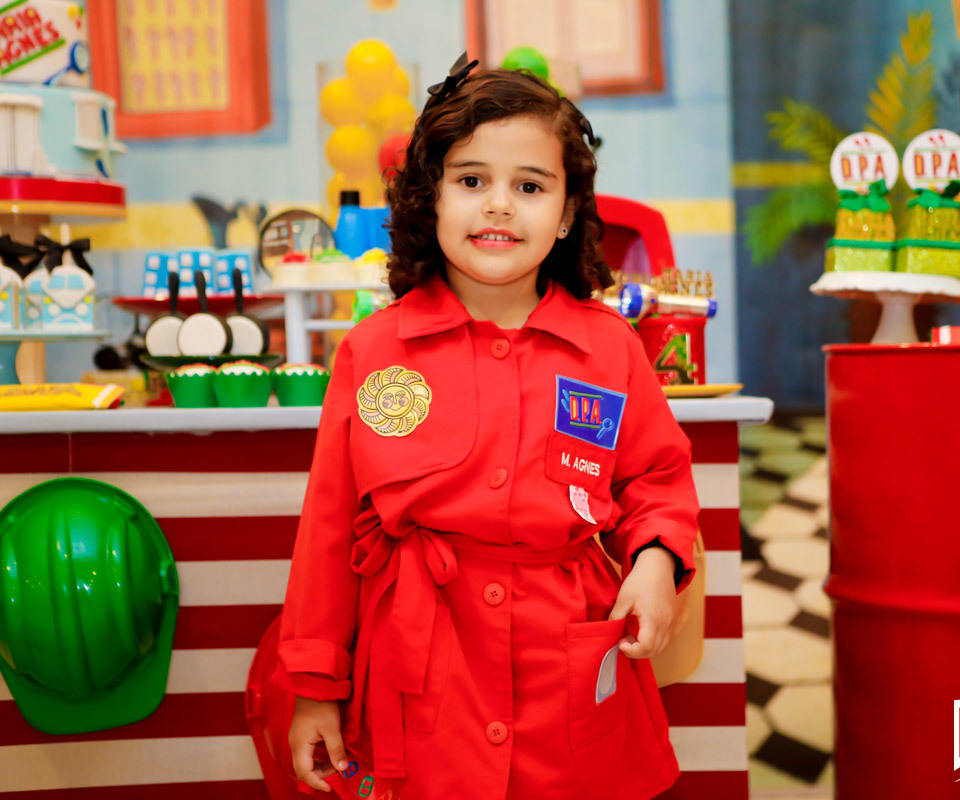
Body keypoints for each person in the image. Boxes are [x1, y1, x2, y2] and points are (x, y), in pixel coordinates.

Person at [277, 54, 700, 800]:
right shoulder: (374, 351)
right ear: (430, 198)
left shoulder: (609, 348)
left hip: (568, 675)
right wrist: (315, 688)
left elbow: (656, 479)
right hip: (421, 680)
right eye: (471, 181)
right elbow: (329, 529)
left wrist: (657, 562)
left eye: (530, 187)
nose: (499, 206)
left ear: (566, 212)